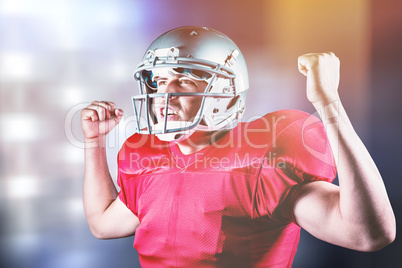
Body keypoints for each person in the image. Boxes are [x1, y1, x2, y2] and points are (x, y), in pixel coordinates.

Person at [81, 26, 395, 267]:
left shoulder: (261, 163)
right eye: (159, 82)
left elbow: (367, 234)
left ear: (225, 95)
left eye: (183, 82)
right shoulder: (149, 158)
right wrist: (94, 142)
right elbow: (102, 223)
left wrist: (327, 103)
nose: (165, 95)